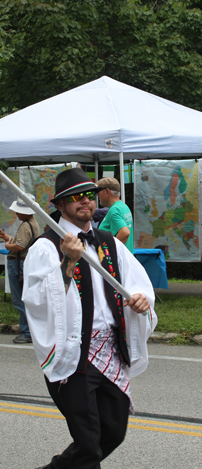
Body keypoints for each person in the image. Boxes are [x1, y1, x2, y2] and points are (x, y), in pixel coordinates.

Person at [22, 168, 157, 469]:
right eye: (75, 197)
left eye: (90, 195)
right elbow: (39, 300)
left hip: (111, 350)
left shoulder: (109, 243)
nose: (85, 201)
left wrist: (140, 300)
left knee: (112, 431)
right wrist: (68, 261)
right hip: (74, 354)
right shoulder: (46, 247)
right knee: (88, 443)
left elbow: (138, 283)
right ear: (60, 206)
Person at [0, 198, 39, 343]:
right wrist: (6, 237)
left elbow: (20, 247)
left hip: (18, 264)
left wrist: (8, 246)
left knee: (19, 299)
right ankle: (31, 331)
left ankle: (27, 332)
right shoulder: (31, 224)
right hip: (23, 263)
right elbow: (21, 241)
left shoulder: (26, 226)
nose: (17, 213)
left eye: (19, 211)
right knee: (25, 297)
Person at [96, 177, 134, 254]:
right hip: (127, 258)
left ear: (107, 192)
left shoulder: (114, 210)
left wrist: (110, 252)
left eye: (98, 191)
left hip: (119, 261)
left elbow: (125, 232)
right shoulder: (123, 206)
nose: (97, 194)